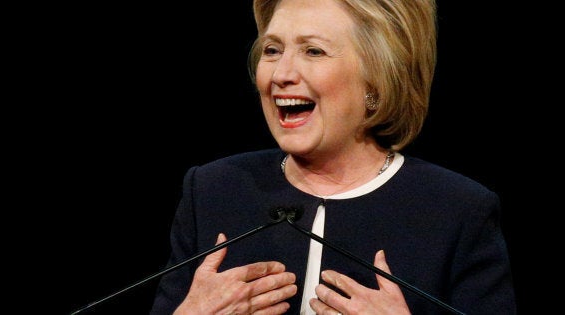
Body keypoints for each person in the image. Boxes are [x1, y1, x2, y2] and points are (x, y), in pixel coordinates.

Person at [150, 0, 516, 314]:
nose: (281, 74)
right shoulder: (213, 190)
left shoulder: (456, 211)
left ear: (376, 79)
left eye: (313, 51)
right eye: (272, 50)